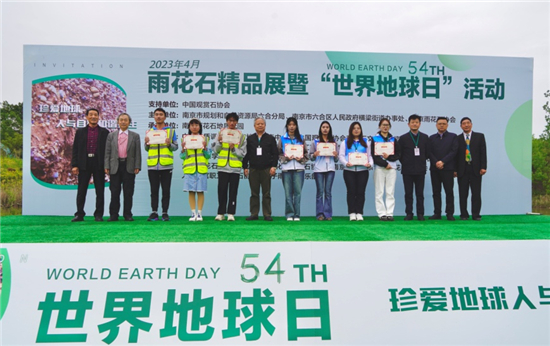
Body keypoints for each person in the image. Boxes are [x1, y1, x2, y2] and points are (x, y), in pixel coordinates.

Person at [71, 108, 109, 222]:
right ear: (87, 117)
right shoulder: (80, 132)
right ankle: (79, 214)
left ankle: (98, 215)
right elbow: (75, 149)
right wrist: (75, 165)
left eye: (95, 115)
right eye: (91, 115)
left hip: (99, 163)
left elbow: (107, 151)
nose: (93, 117)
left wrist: (106, 165)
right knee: (81, 190)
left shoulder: (105, 132)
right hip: (84, 163)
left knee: (100, 190)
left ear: (98, 117)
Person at [104, 113, 141, 221]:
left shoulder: (135, 136)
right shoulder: (111, 135)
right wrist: (106, 165)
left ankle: (128, 214)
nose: (123, 122)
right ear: (118, 122)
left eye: (126, 120)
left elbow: (137, 152)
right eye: (121, 120)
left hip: (129, 166)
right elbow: (107, 152)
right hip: (115, 166)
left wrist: (137, 165)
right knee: (114, 191)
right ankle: (113, 215)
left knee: (128, 192)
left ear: (129, 122)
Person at [144, 108, 178, 221]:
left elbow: (176, 147)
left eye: (161, 114)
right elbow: (146, 148)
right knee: (154, 190)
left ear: (165, 117)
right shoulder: (149, 131)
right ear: (154, 117)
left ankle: (164, 213)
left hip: (166, 165)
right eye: (156, 114)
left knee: (166, 190)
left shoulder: (171, 131)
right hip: (153, 165)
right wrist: (146, 143)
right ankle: (154, 212)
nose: (158, 116)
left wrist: (169, 144)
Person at [242, 117, 278, 221]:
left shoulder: (270, 138)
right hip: (253, 169)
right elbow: (246, 154)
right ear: (254, 126)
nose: (260, 125)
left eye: (262, 124)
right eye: (258, 124)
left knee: (266, 193)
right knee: (254, 193)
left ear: (265, 125)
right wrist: (245, 167)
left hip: (266, 169)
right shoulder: (250, 139)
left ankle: (267, 214)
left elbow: (275, 154)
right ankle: (254, 213)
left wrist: (274, 166)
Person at [213, 112, 247, 221]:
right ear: (227, 121)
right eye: (230, 120)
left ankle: (231, 213)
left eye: (234, 121)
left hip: (235, 168)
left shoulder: (241, 136)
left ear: (237, 122)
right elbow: (215, 150)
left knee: (233, 191)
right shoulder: (221, 133)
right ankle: (220, 213)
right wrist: (218, 141)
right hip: (223, 167)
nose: (232, 123)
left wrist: (233, 149)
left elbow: (243, 153)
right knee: (221, 190)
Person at [398, 114, 430, 221]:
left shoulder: (425, 137)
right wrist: (406, 162)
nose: (414, 124)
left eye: (416, 122)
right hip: (407, 170)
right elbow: (400, 154)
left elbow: (427, 153)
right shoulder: (403, 138)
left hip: (420, 169)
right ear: (408, 124)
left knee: (420, 193)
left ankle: (420, 213)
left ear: (420, 124)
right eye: (412, 122)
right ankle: (409, 213)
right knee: (408, 193)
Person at [338, 121, 373, 221]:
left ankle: (360, 212)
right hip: (349, 170)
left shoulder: (366, 142)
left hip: (363, 170)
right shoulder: (345, 142)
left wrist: (370, 164)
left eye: (358, 128)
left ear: (361, 130)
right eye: (354, 128)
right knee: (351, 192)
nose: (356, 130)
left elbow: (370, 156)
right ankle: (352, 213)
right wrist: (346, 163)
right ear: (351, 130)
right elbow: (341, 156)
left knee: (361, 192)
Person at [455, 117, 487, 221]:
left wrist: (483, 167)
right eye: (464, 123)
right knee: (463, 194)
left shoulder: (479, 136)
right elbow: (455, 155)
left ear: (471, 124)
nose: (466, 125)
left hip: (476, 169)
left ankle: (476, 214)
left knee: (476, 193)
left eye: (468, 123)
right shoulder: (457, 138)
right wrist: (455, 170)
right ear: (461, 126)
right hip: (462, 169)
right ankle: (463, 214)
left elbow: (483, 153)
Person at [278, 117, 309, 221]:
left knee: (298, 193)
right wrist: (285, 158)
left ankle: (297, 214)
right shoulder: (282, 139)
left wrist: (301, 160)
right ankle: (289, 214)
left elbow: (306, 154)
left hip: (299, 169)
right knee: (288, 193)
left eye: (293, 124)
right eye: (289, 124)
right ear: (287, 126)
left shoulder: (301, 138)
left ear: (296, 126)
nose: (291, 126)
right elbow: (278, 153)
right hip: (286, 168)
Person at [181, 118, 211, 221]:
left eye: (196, 125)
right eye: (192, 125)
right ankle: (193, 213)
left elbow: (208, 155)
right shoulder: (184, 139)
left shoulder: (205, 139)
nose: (194, 127)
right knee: (191, 191)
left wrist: (206, 148)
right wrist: (183, 149)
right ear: (189, 127)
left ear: (200, 127)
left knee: (200, 191)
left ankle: (200, 214)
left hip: (201, 169)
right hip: (190, 169)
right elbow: (182, 156)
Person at [428, 117, 458, 221]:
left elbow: (454, 152)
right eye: (440, 123)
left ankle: (449, 213)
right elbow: (429, 152)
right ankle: (437, 213)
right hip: (435, 169)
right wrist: (436, 162)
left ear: (447, 125)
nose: (442, 125)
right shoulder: (431, 138)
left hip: (448, 168)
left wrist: (443, 162)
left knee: (449, 192)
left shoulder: (453, 137)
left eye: (444, 124)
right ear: (436, 125)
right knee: (436, 192)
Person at [371, 118, 401, 221]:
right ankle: (381, 213)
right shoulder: (375, 139)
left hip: (391, 168)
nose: (385, 127)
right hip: (379, 168)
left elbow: (398, 154)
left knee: (390, 191)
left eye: (387, 125)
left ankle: (389, 213)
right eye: (383, 125)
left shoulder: (393, 139)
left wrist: (389, 159)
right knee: (379, 192)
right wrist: (384, 164)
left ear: (390, 126)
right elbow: (373, 155)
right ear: (379, 126)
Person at [310, 121, 338, 221]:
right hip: (319, 169)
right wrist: (314, 155)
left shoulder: (333, 142)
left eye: (327, 127)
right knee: (319, 192)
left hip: (330, 169)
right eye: (323, 127)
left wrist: (336, 155)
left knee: (328, 192)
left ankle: (328, 214)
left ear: (329, 129)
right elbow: (311, 157)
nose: (325, 129)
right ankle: (319, 214)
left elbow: (336, 159)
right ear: (320, 129)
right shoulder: (315, 142)